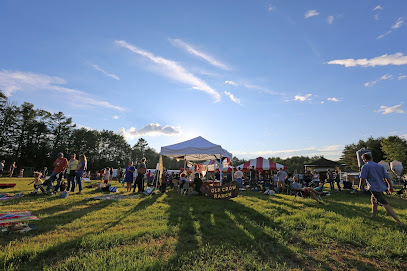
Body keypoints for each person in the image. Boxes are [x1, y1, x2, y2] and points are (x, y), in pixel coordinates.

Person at [359, 153, 403, 226]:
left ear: (365, 159)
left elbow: (362, 178)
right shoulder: (379, 166)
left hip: (374, 188)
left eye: (363, 160)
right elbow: (387, 177)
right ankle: (373, 215)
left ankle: (398, 221)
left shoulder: (365, 167)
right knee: (373, 201)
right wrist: (390, 186)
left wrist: (360, 186)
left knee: (385, 204)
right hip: (381, 187)